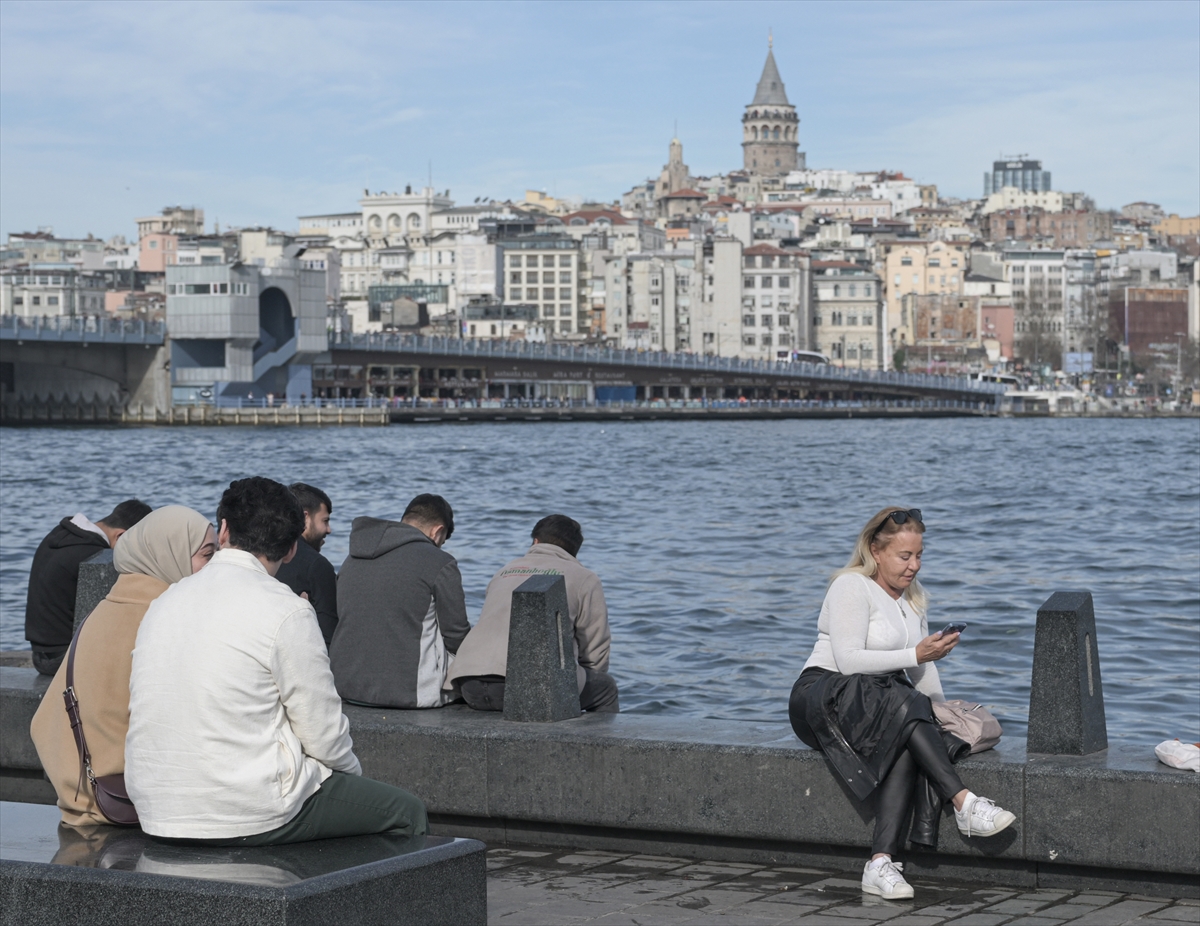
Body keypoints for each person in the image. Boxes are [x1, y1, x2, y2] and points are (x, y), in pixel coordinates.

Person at [125, 477, 426, 844]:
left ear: (223, 531)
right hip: (248, 813)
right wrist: (352, 781)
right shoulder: (287, 610)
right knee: (405, 812)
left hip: (156, 809)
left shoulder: (164, 602)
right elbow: (324, 735)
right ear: (291, 550)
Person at [788, 507, 1016, 901]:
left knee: (909, 722)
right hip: (821, 698)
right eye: (904, 556)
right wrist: (915, 655)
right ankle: (963, 801)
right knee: (902, 705)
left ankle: (880, 863)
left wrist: (935, 715)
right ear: (876, 552)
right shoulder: (850, 587)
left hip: (883, 702)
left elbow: (921, 675)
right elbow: (848, 661)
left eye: (919, 555)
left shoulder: (914, 601)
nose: (914, 566)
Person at [30, 506, 216, 826]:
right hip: (123, 797)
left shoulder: (113, 605)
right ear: (167, 554)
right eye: (207, 555)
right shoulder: (162, 618)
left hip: (78, 787)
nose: (218, 566)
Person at [446, 514, 619, 713]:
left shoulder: (504, 571)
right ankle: (595, 744)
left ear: (535, 541)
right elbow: (595, 652)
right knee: (605, 688)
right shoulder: (585, 578)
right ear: (574, 550)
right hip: (527, 689)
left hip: (468, 684)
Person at [330, 494, 470, 708]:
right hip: (408, 693)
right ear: (438, 531)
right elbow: (456, 636)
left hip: (345, 687)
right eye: (443, 541)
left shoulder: (351, 558)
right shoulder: (441, 562)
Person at [25, 499, 153, 675]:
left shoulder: (60, 536)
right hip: (64, 660)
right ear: (122, 536)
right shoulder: (95, 557)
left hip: (41, 654)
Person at [274, 482, 339, 646]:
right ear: (305, 517)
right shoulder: (316, 566)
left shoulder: (265, 555)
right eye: (325, 520)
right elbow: (331, 637)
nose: (329, 529)